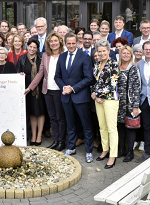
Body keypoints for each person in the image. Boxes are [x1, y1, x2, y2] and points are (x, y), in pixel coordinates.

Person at [54, 32, 94, 163]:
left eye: (73, 43)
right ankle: (71, 147)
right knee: (70, 124)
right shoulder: (62, 57)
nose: (71, 45)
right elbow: (57, 76)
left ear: (77, 43)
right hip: (66, 96)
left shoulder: (84, 57)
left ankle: (89, 151)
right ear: (65, 44)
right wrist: (64, 87)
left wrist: (73, 88)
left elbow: (89, 78)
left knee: (86, 124)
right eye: (68, 43)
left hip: (80, 96)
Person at [27, 32, 66, 151]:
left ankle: (62, 141)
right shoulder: (45, 55)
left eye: (55, 41)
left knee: (60, 117)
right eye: (51, 41)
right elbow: (40, 73)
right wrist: (30, 87)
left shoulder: (64, 55)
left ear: (59, 41)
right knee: (53, 117)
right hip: (48, 90)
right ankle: (56, 140)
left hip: (60, 90)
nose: (53, 43)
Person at [92, 39, 119, 168]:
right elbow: (95, 82)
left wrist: (99, 95)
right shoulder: (97, 65)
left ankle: (113, 156)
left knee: (112, 128)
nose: (102, 53)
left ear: (108, 51)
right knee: (102, 127)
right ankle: (105, 150)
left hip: (110, 100)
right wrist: (94, 94)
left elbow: (113, 84)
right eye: (99, 51)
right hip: (98, 100)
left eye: (104, 51)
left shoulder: (114, 64)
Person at [18, 39, 46, 146]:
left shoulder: (41, 57)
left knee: (40, 111)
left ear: (37, 48)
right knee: (32, 112)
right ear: (27, 46)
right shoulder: (22, 58)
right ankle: (33, 135)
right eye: (30, 46)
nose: (32, 49)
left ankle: (39, 135)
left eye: (34, 47)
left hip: (39, 88)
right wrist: (20, 74)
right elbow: (18, 72)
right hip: (27, 88)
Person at [117, 46, 141, 162]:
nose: (126, 55)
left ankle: (130, 152)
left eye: (128, 53)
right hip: (118, 103)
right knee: (120, 127)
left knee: (130, 128)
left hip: (130, 103)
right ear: (120, 54)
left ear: (131, 55)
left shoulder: (133, 69)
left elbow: (137, 87)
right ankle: (121, 149)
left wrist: (136, 105)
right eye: (124, 53)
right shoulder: (116, 68)